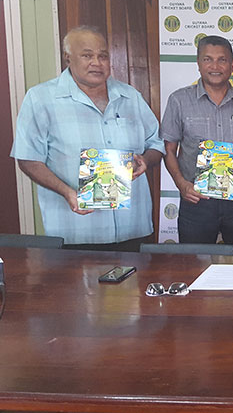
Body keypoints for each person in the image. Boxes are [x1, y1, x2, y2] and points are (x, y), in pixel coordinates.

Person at [10, 26, 164, 251]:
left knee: (134, 287)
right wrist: (67, 191)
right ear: (68, 58)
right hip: (75, 232)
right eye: (87, 55)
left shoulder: (130, 96)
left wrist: (146, 160)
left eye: (102, 56)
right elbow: (28, 158)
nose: (97, 62)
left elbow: (156, 143)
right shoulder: (41, 99)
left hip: (133, 228)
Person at [160, 35, 233, 255]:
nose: (215, 66)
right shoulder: (179, 100)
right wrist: (181, 184)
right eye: (208, 59)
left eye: (222, 60)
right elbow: (168, 150)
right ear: (198, 63)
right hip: (196, 197)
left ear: (232, 64)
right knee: (193, 264)